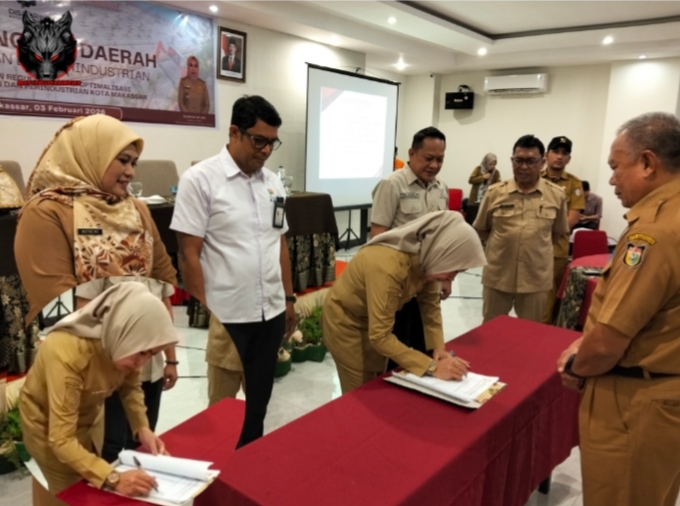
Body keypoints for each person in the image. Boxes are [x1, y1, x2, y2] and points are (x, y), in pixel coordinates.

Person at [557, 112, 680, 506]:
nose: (611, 180)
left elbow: (608, 342)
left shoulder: (653, 233)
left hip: (633, 403)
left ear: (647, 163)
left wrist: (575, 365)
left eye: (615, 166)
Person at [171, 95, 295, 448]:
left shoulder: (272, 183)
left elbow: (279, 243)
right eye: (259, 140)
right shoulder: (200, 180)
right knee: (222, 414)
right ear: (234, 133)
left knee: (257, 409)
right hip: (229, 317)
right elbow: (189, 254)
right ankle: (218, 475)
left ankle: (248, 468)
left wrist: (288, 299)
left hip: (271, 313)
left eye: (272, 142)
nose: (266, 150)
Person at [20, 282, 178, 506]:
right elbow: (61, 440)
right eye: (142, 352)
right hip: (47, 428)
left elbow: (130, 388)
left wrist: (142, 427)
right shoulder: (67, 353)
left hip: (88, 418)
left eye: (150, 354)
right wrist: (114, 478)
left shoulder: (124, 341)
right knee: (70, 494)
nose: (140, 363)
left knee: (92, 477)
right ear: (122, 330)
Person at [13, 114, 177, 323]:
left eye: (134, 163)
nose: (130, 172)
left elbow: (164, 276)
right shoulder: (44, 212)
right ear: (91, 156)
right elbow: (55, 299)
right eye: (123, 160)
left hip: (139, 333)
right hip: (73, 335)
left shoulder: (136, 208)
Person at [323, 211, 486, 393]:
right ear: (442, 252)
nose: (453, 278)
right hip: (347, 325)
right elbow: (380, 336)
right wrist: (432, 367)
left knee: (378, 380)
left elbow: (430, 305)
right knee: (362, 392)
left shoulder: (427, 258)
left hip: (374, 323)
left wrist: (438, 348)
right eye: (455, 269)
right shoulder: (388, 267)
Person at [74, 277, 178, 463]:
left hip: (151, 369)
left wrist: (171, 360)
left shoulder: (159, 263)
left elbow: (166, 309)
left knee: (143, 437)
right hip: (112, 366)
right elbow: (84, 309)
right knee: (110, 440)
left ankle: (137, 476)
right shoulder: (97, 263)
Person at [370, 127, 449, 368]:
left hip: (426, 283)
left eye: (440, 159)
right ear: (411, 154)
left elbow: (441, 237)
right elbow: (378, 236)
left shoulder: (441, 188)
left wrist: (446, 278)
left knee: (424, 348)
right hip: (399, 285)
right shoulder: (392, 184)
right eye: (428, 158)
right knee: (397, 356)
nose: (434, 165)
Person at [474, 134, 569, 323]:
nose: (524, 167)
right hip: (499, 275)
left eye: (531, 161)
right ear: (512, 161)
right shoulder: (495, 193)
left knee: (531, 333)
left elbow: (556, 234)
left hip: (535, 278)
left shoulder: (556, 195)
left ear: (542, 162)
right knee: (492, 330)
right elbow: (482, 229)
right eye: (518, 161)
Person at [540, 136, 585, 323]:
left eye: (564, 153)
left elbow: (572, 218)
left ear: (569, 159)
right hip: (532, 246)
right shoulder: (535, 178)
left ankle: (545, 330)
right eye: (555, 152)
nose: (559, 156)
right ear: (546, 155)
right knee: (531, 293)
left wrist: (547, 234)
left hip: (556, 247)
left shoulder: (574, 184)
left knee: (550, 292)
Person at [466, 152, 501, 225]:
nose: (492, 166)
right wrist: (483, 177)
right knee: (472, 222)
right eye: (490, 164)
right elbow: (471, 180)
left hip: (487, 200)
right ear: (486, 162)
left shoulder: (496, 173)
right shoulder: (478, 169)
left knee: (483, 223)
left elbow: (499, 185)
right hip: (475, 200)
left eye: (494, 164)